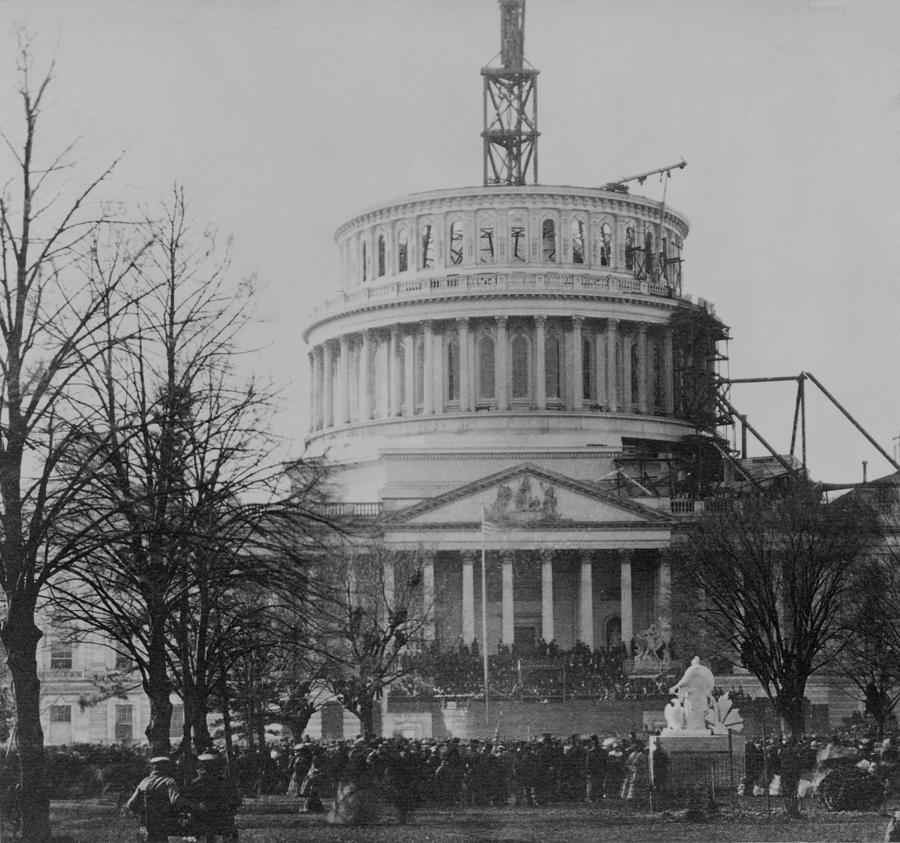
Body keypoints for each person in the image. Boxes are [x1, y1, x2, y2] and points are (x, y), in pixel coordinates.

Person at [125, 756, 191, 843]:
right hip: (162, 824)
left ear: (153, 767)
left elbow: (130, 805)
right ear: (166, 767)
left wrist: (142, 810)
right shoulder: (168, 781)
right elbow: (176, 801)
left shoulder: (144, 782)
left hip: (145, 825)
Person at [185, 751, 242, 842]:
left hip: (202, 818)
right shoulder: (224, 782)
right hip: (221, 818)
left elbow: (189, 801)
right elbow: (236, 800)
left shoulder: (196, 782)